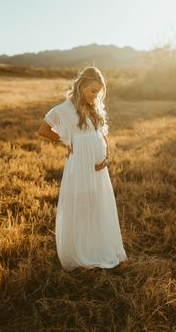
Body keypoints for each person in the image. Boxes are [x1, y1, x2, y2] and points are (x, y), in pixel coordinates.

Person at [38, 66, 128, 271]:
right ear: (81, 86)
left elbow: (102, 134)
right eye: (93, 91)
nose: (96, 96)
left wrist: (106, 156)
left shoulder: (95, 106)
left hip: (99, 166)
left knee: (97, 204)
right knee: (81, 204)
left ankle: (97, 245)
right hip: (80, 163)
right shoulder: (63, 109)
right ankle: (79, 250)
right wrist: (65, 140)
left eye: (99, 92)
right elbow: (43, 130)